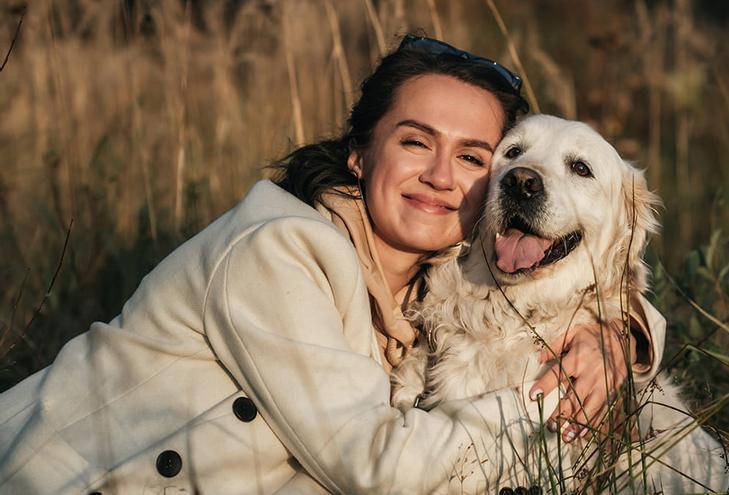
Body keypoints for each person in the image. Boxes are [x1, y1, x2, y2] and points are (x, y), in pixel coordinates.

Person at [0, 35, 665, 494]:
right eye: (414, 142)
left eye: (470, 156)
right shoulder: (279, 249)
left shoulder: (439, 276)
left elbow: (596, 277)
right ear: (359, 153)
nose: (440, 175)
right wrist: (547, 408)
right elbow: (372, 465)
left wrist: (617, 335)